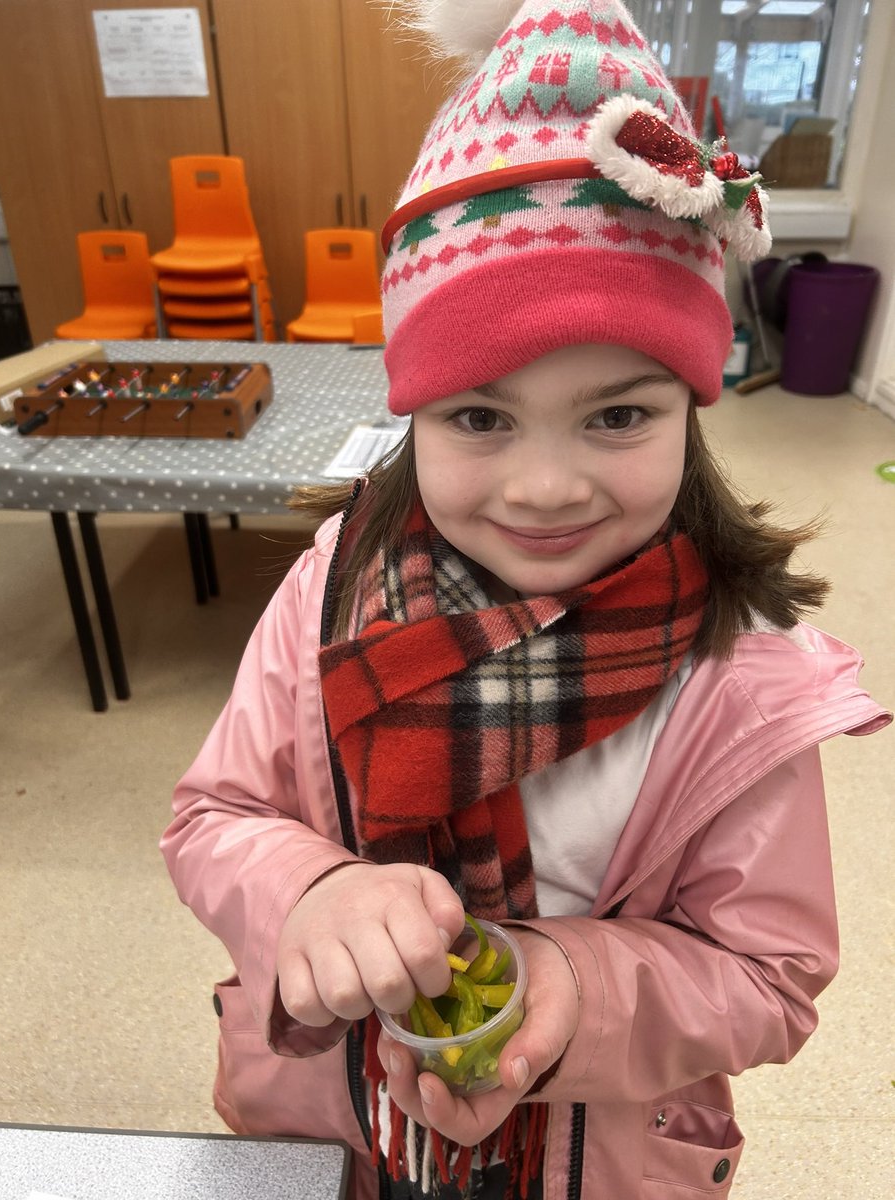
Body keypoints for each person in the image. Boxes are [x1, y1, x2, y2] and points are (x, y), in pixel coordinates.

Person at [160, 2, 891, 1197]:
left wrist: (578, 983)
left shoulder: (737, 674)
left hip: (598, 1156)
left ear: (695, 406)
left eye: (619, 414)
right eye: (480, 417)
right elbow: (212, 820)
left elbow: (768, 975)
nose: (546, 488)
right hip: (338, 1136)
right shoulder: (331, 591)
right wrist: (312, 890)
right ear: (413, 411)